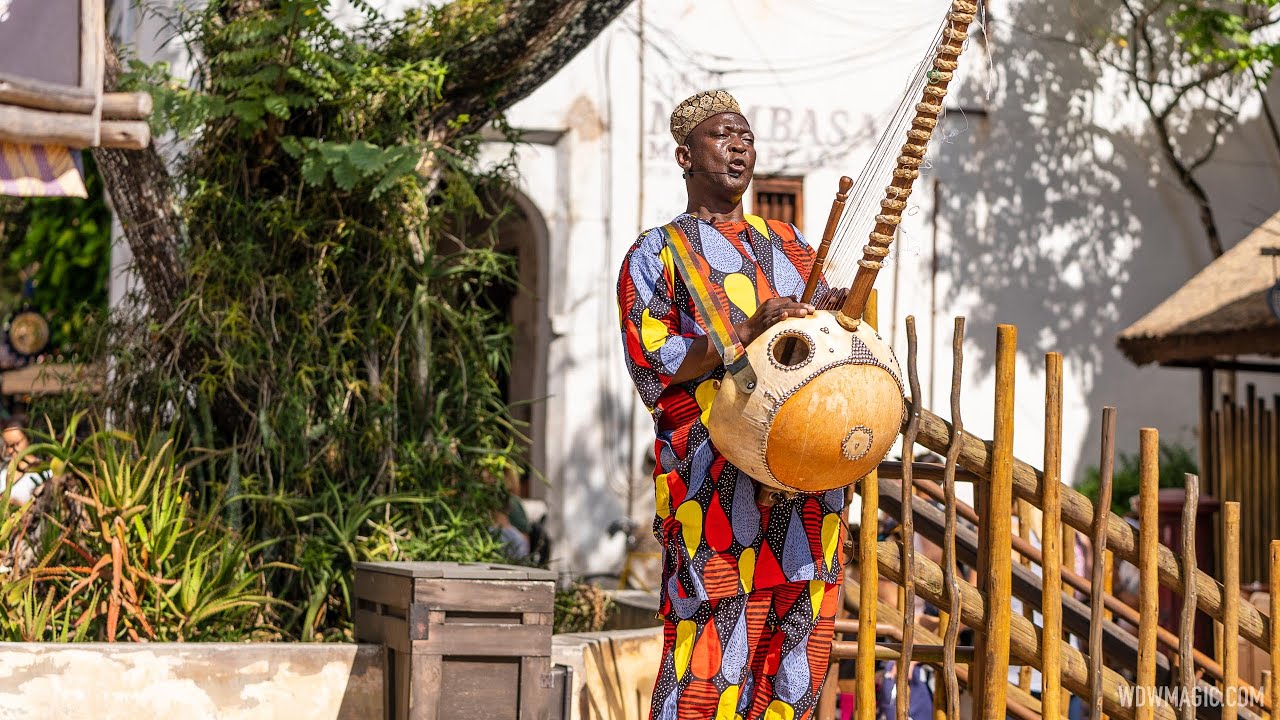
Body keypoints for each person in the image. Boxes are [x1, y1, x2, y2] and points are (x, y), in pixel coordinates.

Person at [617, 90, 850, 720]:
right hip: (713, 491)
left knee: (795, 665)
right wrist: (745, 331)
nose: (739, 146)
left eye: (746, 135)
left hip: (806, 495)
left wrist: (845, 305)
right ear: (685, 156)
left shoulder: (788, 243)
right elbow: (655, 359)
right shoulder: (655, 253)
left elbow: (830, 337)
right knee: (710, 662)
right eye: (723, 136)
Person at [0, 416, 46, 506]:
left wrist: (15, 504)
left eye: (15, 444)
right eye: (7, 445)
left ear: (28, 438)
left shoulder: (44, 472)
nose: (10, 450)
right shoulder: (3, 469)